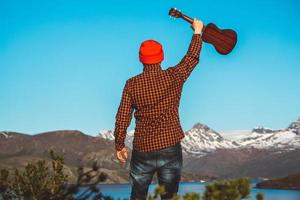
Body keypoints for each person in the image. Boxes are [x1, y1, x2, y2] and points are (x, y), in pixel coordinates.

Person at [113, 18, 204, 200]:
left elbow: (123, 116)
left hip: (142, 150)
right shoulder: (173, 77)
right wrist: (197, 32)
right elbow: (191, 58)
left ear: (141, 59)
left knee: (137, 196)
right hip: (170, 147)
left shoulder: (132, 84)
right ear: (161, 56)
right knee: (169, 197)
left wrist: (119, 145)